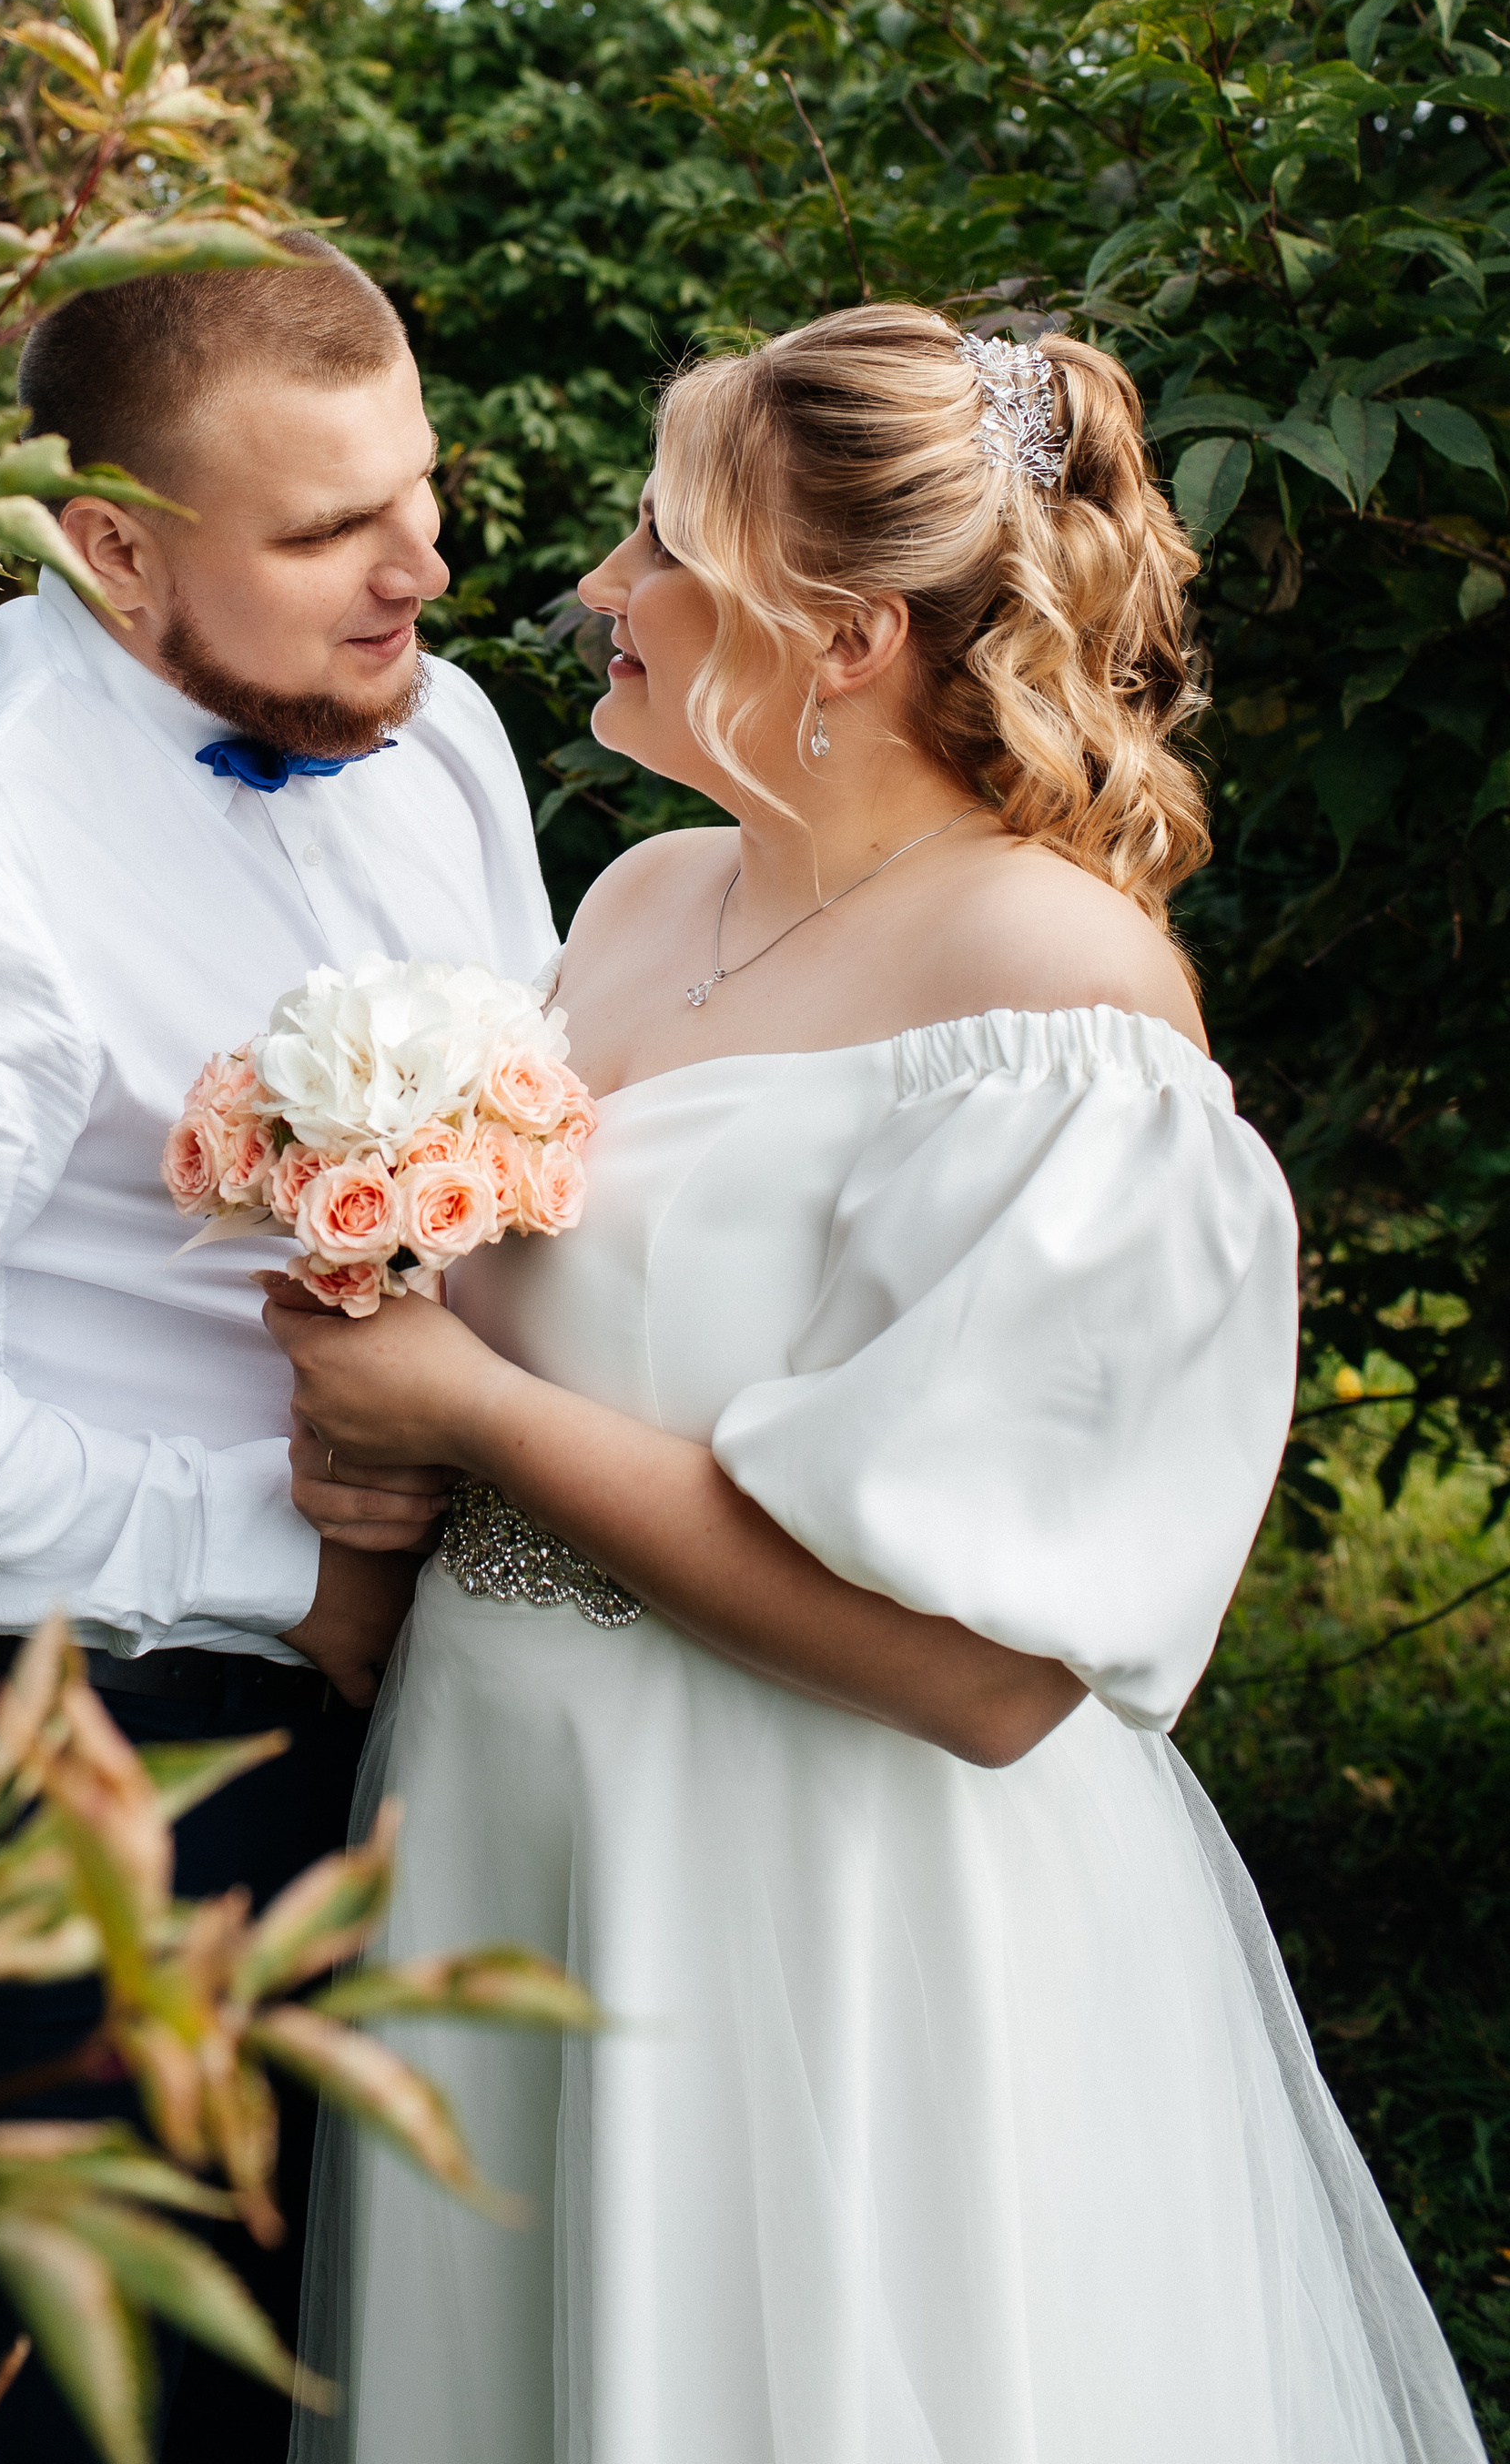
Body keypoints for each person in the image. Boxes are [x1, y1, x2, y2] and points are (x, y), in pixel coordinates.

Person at [269, 305, 1486, 2464]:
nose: (599, 588)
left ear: (836, 636)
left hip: (809, 1893)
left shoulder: (1053, 990)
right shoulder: (640, 901)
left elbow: (984, 1677)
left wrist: (461, 1415)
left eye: (660, 549)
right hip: (505, 1818)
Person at [0, 231, 554, 2464]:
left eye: (419, 492)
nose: (418, 573)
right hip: (61, 1756)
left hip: (431, 1700)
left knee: (384, 2350)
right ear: (112, 549)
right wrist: (286, 1558)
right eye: (328, 531)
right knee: (85, 2405)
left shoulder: (439, 730)